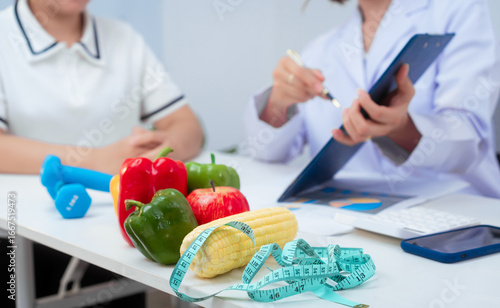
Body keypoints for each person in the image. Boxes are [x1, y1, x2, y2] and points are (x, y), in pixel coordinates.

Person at [244, 0, 500, 198]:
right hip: (352, 219)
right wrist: (279, 101)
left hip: (453, 213)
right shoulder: (321, 51)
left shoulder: (456, 10)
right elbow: (266, 151)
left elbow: (470, 142)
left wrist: (402, 130)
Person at [0, 0, 204, 175]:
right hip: (24, 214)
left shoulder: (125, 38)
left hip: (120, 209)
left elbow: (188, 126)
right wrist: (95, 160)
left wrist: (166, 148)